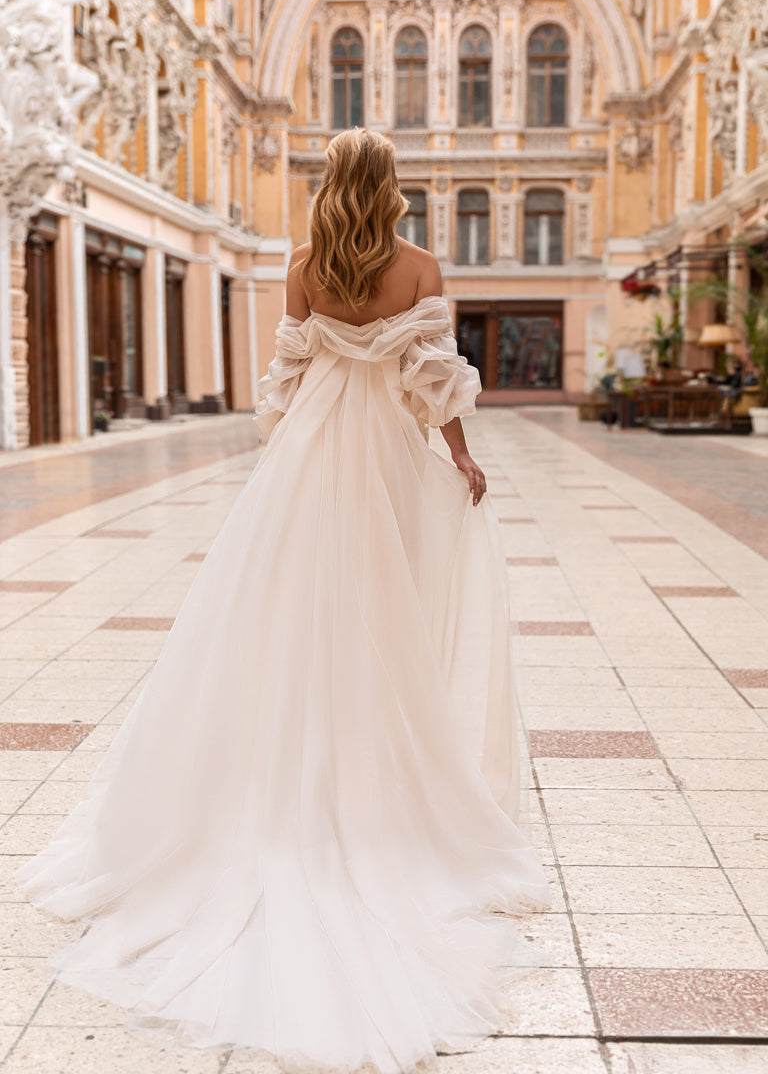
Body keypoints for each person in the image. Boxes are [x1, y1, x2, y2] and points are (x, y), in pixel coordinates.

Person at [15, 128, 550, 1074]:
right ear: (389, 186)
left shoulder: (304, 263)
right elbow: (433, 383)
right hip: (385, 451)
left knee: (282, 605)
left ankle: (278, 766)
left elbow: (290, 375)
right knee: (385, 609)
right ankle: (376, 761)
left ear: (331, 183)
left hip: (308, 454)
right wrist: (461, 459)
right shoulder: (421, 263)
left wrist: (285, 444)